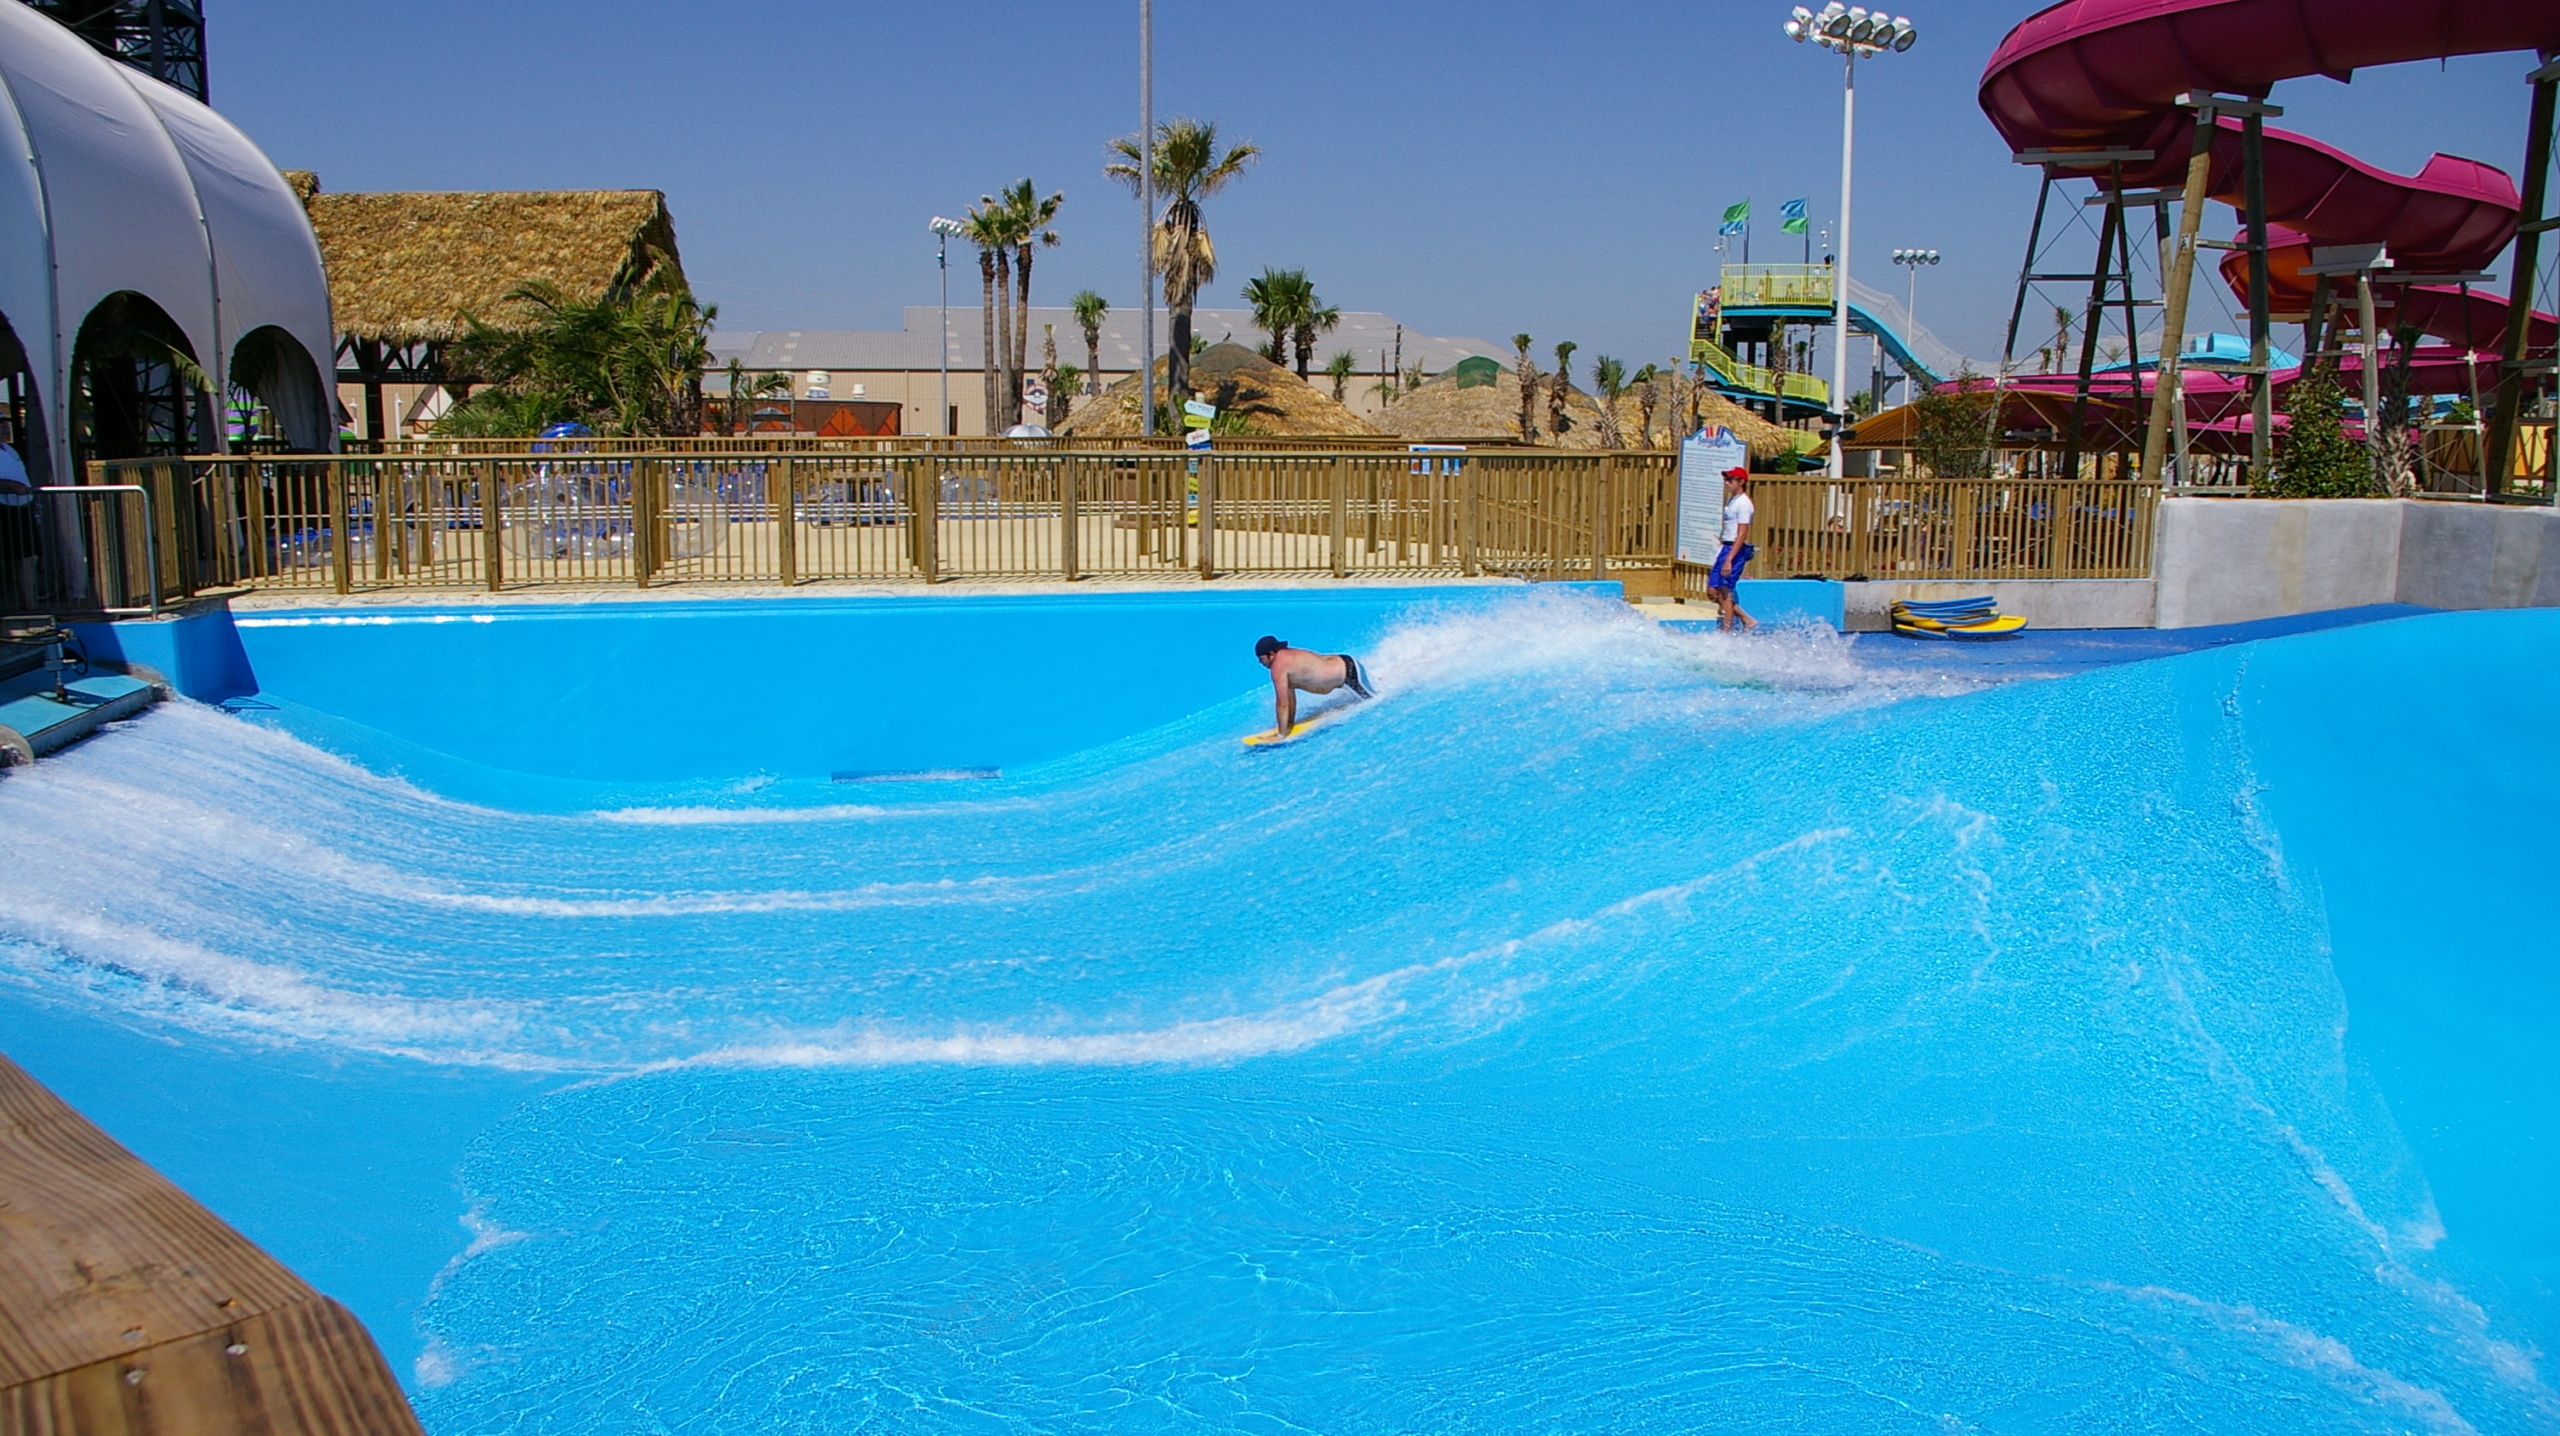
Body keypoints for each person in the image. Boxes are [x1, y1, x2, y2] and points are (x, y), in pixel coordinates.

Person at [1254, 635, 1371, 738]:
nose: (1260, 663)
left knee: (1376, 700)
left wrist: (1281, 735)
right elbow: (1289, 698)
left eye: (1261, 659)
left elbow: (1282, 704)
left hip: (1349, 673)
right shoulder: (1285, 658)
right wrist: (1289, 724)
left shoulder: (1278, 667)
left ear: (1271, 654)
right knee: (1375, 692)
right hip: (1344, 663)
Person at [1705, 467, 1756, 632]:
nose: (1727, 483)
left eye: (1731, 480)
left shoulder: (1744, 503)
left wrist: (1729, 559)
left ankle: (1726, 632)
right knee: (1713, 590)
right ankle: (1745, 619)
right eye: (1726, 480)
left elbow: (1741, 534)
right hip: (1726, 546)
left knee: (1726, 592)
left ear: (1741, 482)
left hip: (1734, 549)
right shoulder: (1732, 500)